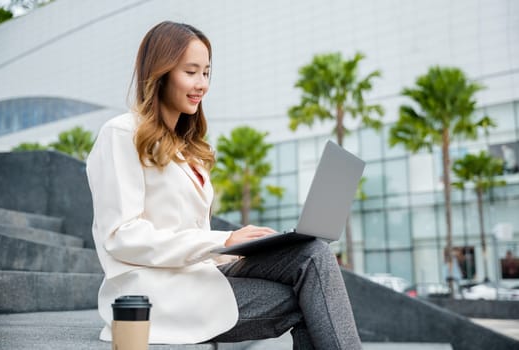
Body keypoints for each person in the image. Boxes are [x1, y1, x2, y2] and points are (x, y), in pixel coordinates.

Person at [86, 21, 361, 349]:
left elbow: (191, 236)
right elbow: (121, 236)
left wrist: (247, 248)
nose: (201, 84)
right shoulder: (121, 133)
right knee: (310, 297)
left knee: (310, 252)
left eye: (206, 73)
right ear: (160, 73)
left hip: (199, 275)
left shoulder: (188, 149)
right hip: (157, 292)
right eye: (191, 71)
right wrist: (223, 239)